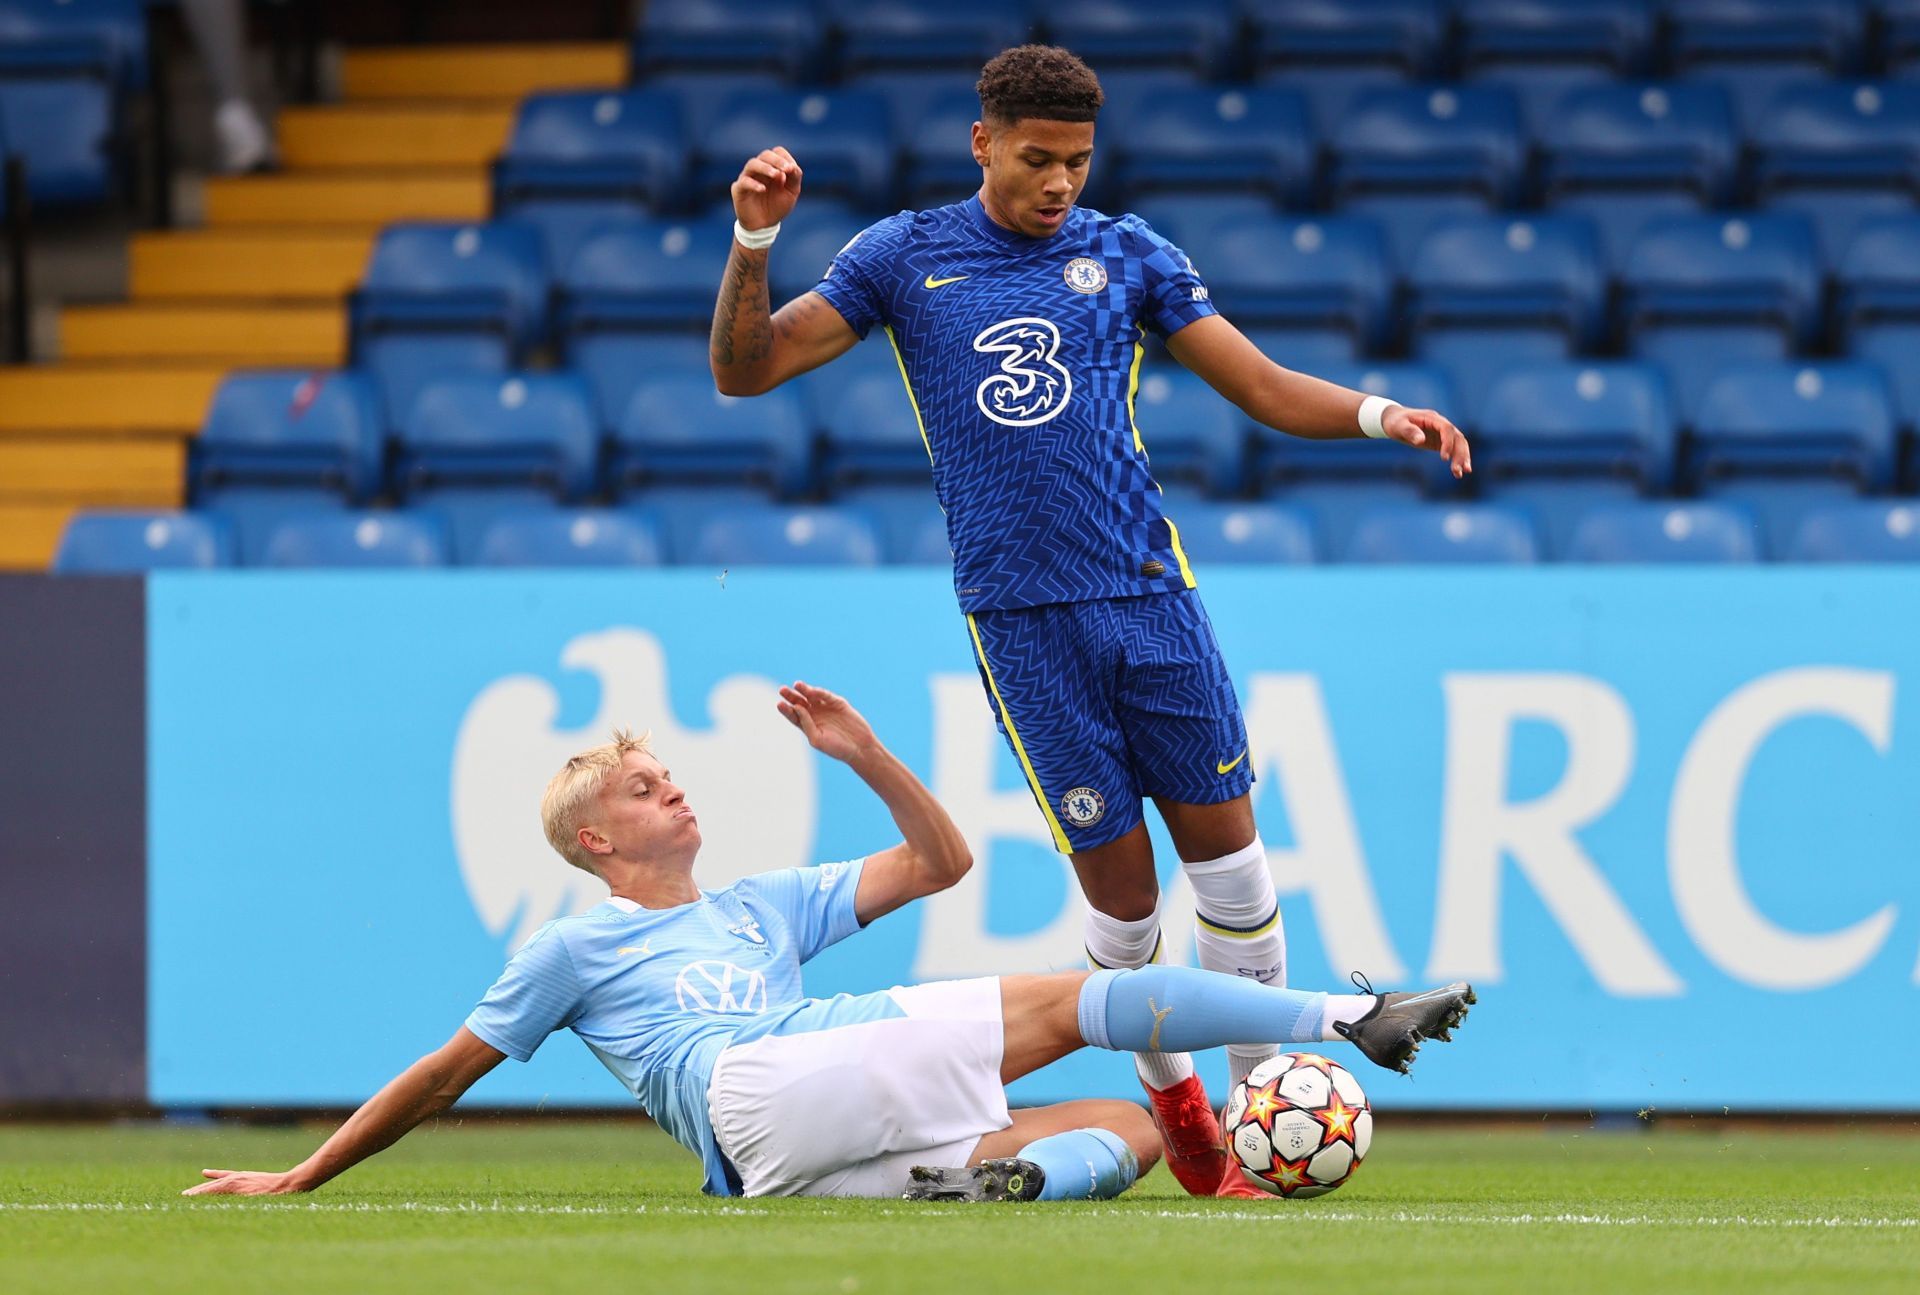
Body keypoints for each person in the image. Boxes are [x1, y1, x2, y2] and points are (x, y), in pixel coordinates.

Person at [707, 45, 1474, 1195]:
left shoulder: (1128, 253)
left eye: (1076, 160)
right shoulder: (902, 257)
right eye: (1036, 159)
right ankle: (1182, 1113)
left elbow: (1261, 385)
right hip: (1022, 622)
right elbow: (745, 370)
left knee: (1235, 869)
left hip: (1151, 602)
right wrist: (756, 241)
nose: (1059, 182)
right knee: (1123, 904)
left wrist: (1378, 413)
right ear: (983, 143)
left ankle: (1260, 1123)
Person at [182, 683, 1473, 1203]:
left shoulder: (760, 901)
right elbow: (444, 1068)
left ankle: (1002, 1187)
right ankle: (1346, 1019)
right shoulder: (573, 947)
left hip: (775, 1169)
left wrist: (866, 757)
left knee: (1121, 1129)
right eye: (642, 788)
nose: (673, 789)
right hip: (758, 1070)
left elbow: (939, 862)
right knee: (1090, 994)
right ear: (593, 843)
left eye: (669, 774)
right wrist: (304, 1172)